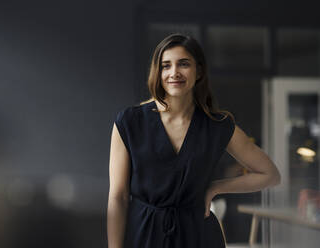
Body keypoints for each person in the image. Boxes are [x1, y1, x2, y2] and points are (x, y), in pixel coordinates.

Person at [107, 33, 281, 248]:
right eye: (166, 65)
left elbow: (271, 175)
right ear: (157, 71)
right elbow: (118, 198)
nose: (174, 73)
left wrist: (215, 188)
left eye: (183, 64)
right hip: (142, 235)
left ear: (198, 71)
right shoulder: (130, 122)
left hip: (199, 235)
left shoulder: (217, 125)